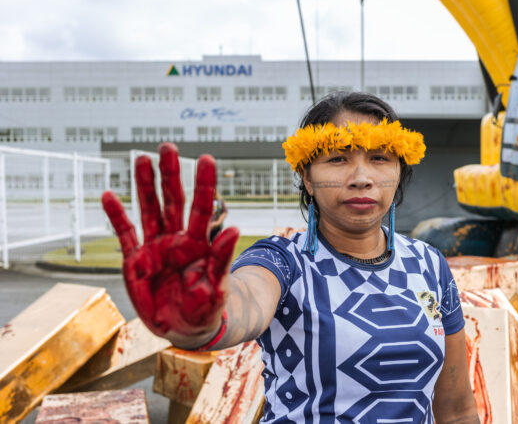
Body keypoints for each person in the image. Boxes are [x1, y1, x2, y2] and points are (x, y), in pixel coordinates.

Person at [102, 92, 479, 423]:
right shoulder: (283, 261)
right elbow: (245, 302)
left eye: (380, 158)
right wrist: (199, 322)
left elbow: (458, 411)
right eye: (337, 159)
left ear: (400, 172)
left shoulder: (430, 265)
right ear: (308, 177)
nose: (362, 176)